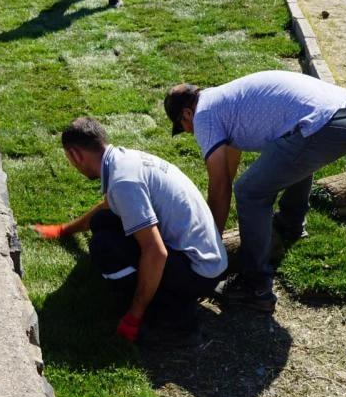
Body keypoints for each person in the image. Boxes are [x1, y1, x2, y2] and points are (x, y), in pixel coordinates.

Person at [163, 70, 346, 313]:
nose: (190, 132)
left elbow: (220, 187)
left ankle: (256, 286)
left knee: (250, 192)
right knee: (292, 151)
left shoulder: (204, 116)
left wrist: (210, 243)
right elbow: (226, 172)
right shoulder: (221, 101)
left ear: (187, 114)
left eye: (184, 127)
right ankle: (289, 226)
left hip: (328, 126)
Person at [33, 117, 227, 346]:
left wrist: (134, 316)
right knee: (103, 221)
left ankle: (176, 321)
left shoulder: (124, 182)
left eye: (69, 159)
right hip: (207, 257)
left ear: (75, 155)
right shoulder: (124, 160)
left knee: (104, 247)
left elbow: (156, 252)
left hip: (199, 270)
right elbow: (107, 206)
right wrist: (66, 230)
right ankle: (167, 297)